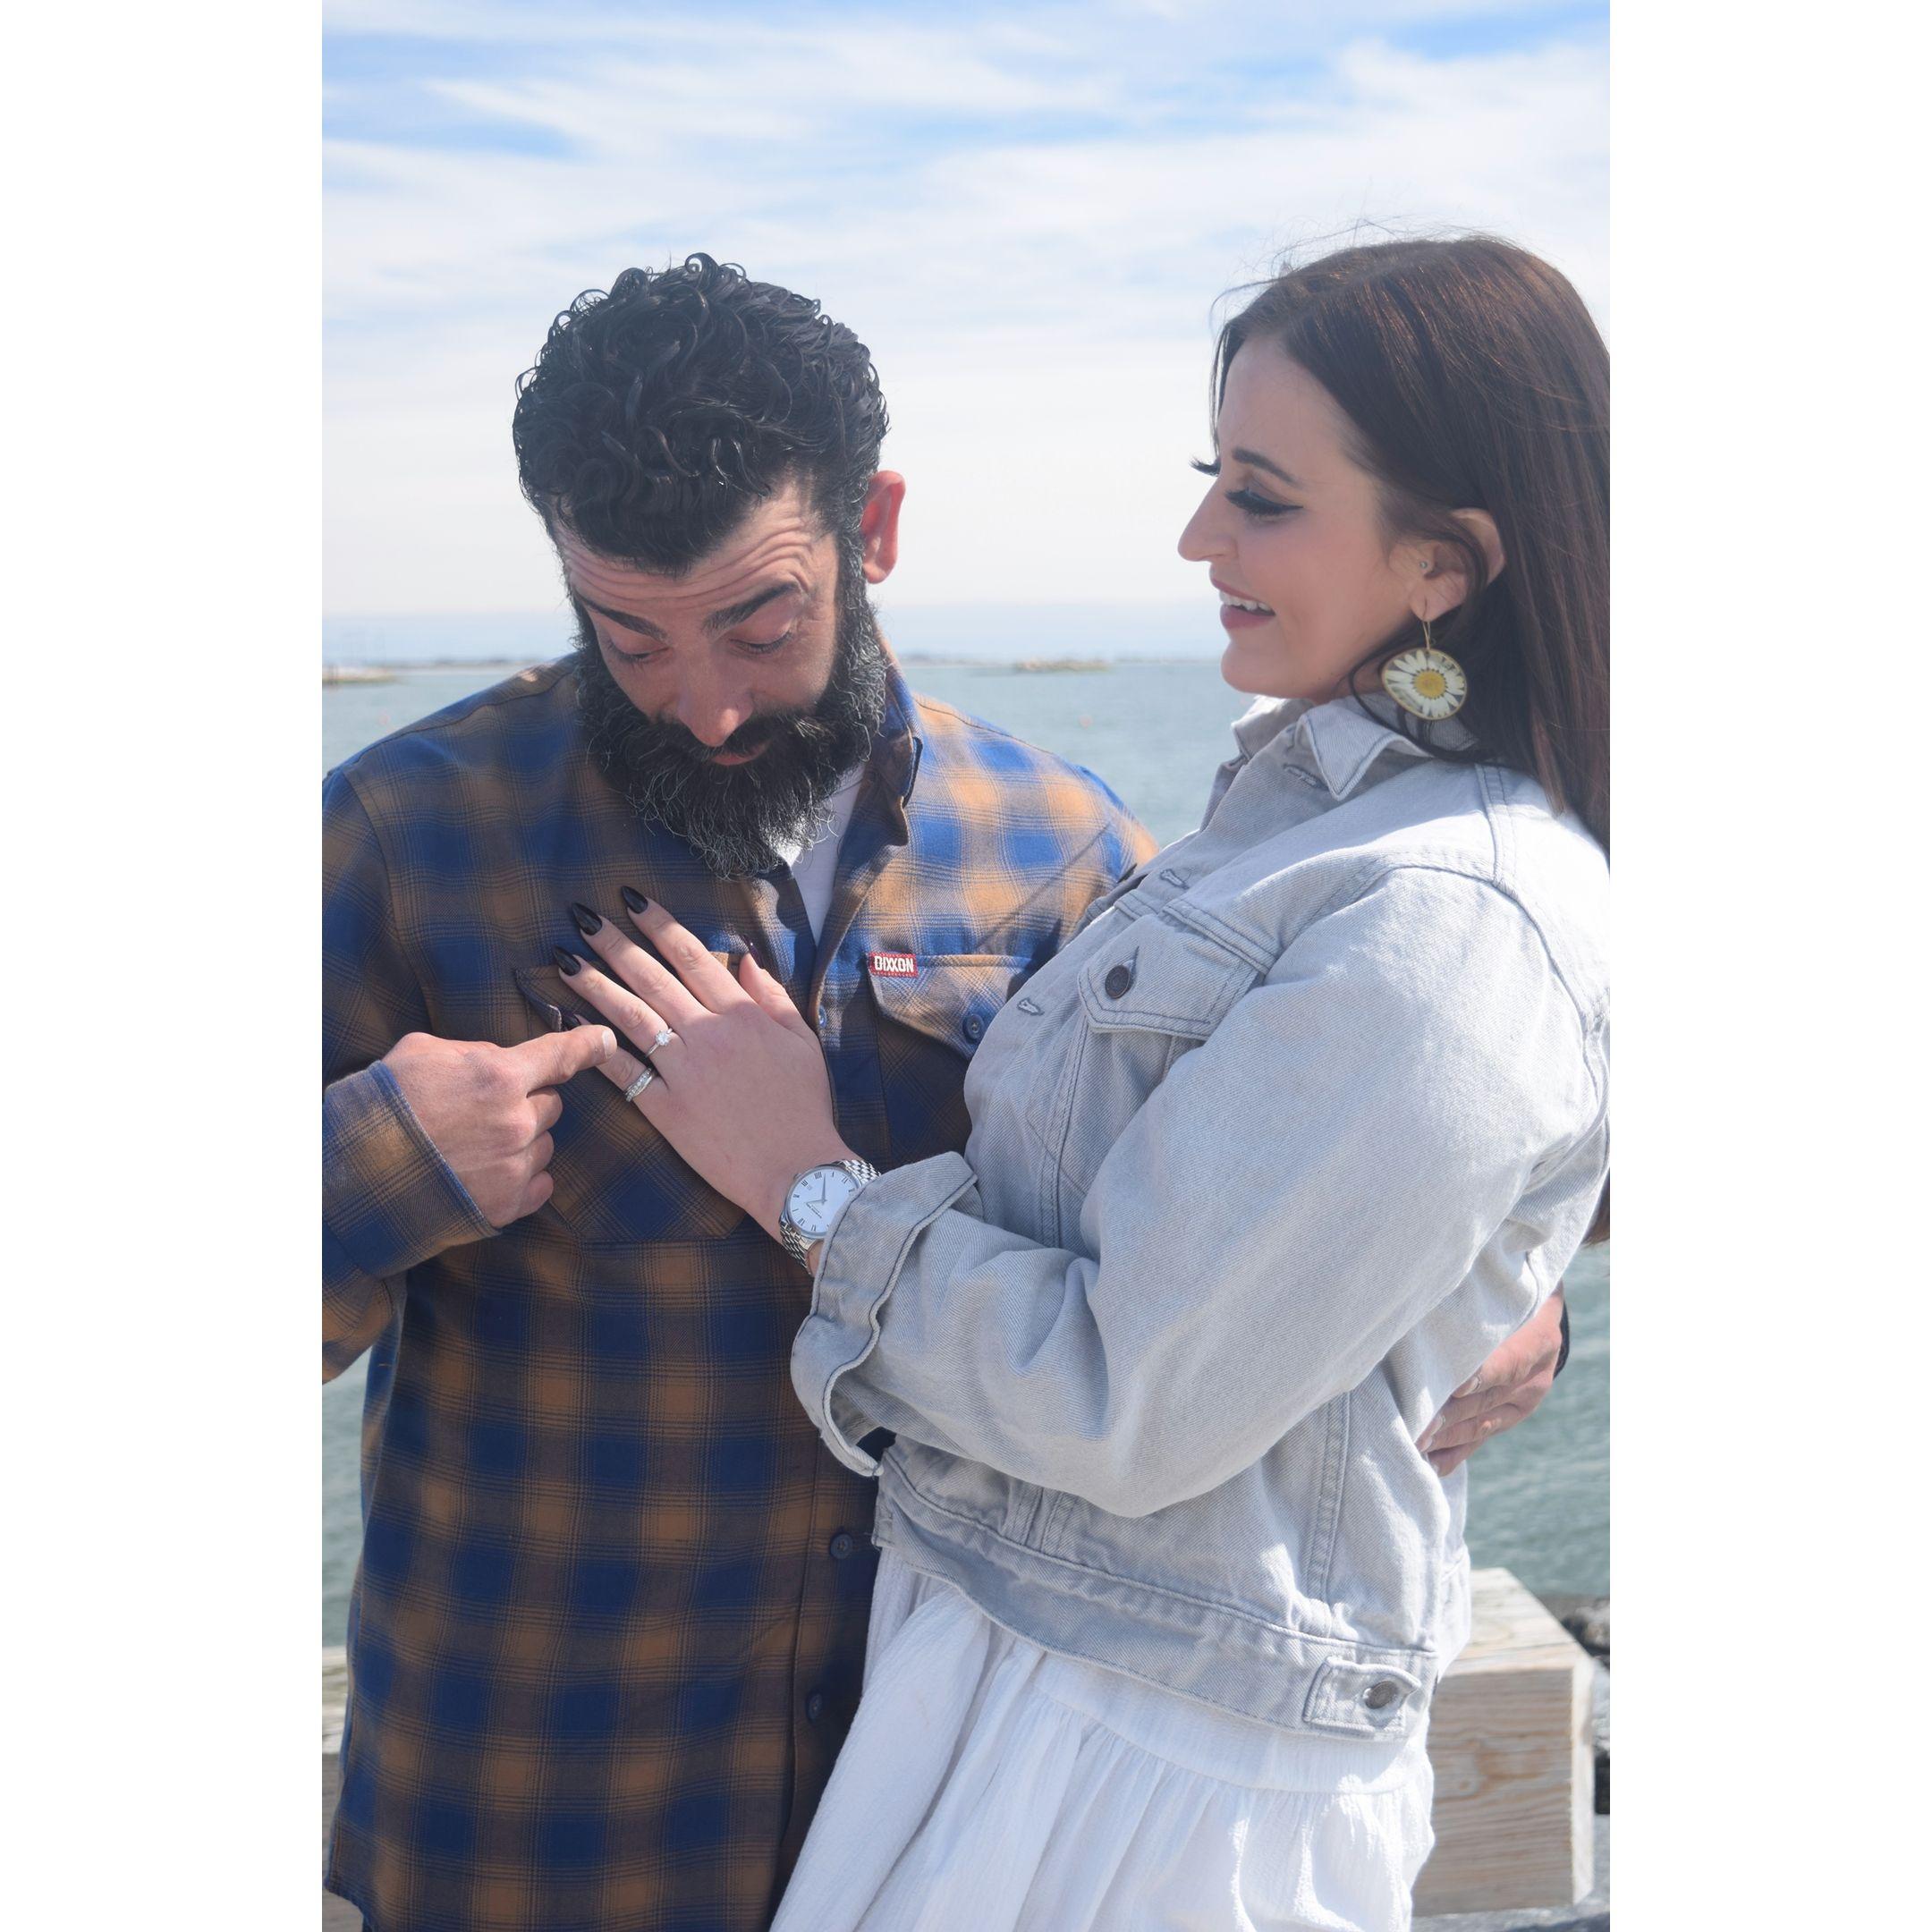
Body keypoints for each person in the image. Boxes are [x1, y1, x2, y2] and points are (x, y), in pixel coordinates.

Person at [322, 253, 1566, 1932]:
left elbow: (1258, 1217)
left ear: (876, 528)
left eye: (762, 622)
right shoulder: (405, 837)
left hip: (946, 1808)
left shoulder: (1072, 844)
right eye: (630, 637)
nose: (706, 698)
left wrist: (1491, 1291)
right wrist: (380, 1162)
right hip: (535, 1827)